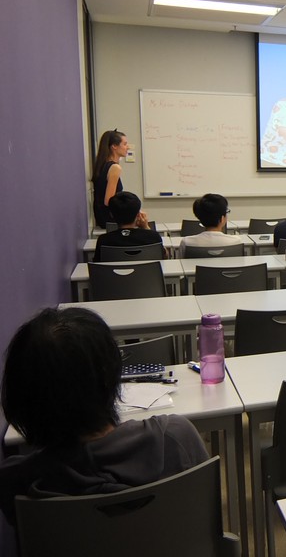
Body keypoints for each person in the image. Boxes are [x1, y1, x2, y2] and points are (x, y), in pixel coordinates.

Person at [0, 307, 208, 526]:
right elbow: (209, 526)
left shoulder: (15, 483)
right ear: (110, 377)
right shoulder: (175, 439)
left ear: (21, 398)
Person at [94, 191, 165, 261]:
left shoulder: (103, 240)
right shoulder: (153, 237)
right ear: (138, 215)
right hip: (146, 272)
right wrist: (146, 227)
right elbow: (164, 256)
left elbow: (97, 264)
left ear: (111, 214)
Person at [91, 129, 128, 228]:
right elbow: (109, 201)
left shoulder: (101, 165)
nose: (127, 147)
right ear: (114, 146)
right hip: (110, 219)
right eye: (124, 144)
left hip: (101, 217)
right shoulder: (114, 168)